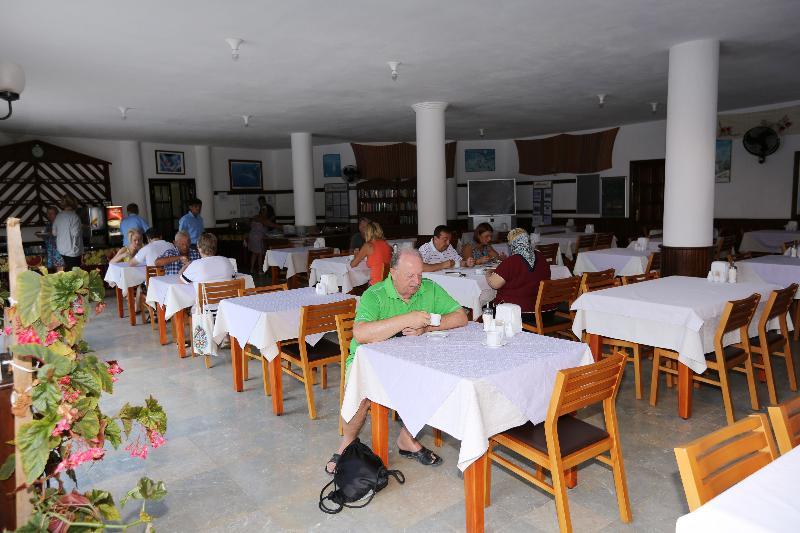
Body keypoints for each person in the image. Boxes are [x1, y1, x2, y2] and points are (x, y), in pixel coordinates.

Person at [326, 248, 468, 474]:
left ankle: (407, 438)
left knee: (438, 381)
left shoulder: (429, 288)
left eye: (420, 275)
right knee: (361, 390)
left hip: (413, 362)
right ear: (392, 272)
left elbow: (461, 316)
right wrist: (406, 319)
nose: (417, 281)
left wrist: (428, 327)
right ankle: (347, 442)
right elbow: (361, 334)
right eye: (410, 276)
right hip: (369, 364)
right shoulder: (374, 294)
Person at [485, 228, 551, 314]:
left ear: (512, 244)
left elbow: (494, 284)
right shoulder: (541, 256)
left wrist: (488, 272)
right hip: (544, 310)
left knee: (485, 306)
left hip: (516, 312)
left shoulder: (512, 261)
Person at [350, 221, 392, 285]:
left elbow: (353, 265)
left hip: (375, 285)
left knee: (356, 285)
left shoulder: (368, 246)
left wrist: (356, 255)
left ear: (367, 232)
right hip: (387, 284)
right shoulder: (386, 245)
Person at [52, 194, 84, 270]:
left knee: (64, 277)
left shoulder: (59, 216)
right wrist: (81, 228)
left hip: (61, 251)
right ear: (74, 203)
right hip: (73, 252)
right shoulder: (74, 216)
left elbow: (54, 233)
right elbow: (75, 234)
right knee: (74, 278)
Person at [41, 206, 63, 270]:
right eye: (48, 213)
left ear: (56, 214)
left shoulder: (60, 223)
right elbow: (46, 238)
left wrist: (51, 233)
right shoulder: (48, 225)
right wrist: (43, 236)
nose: (49, 215)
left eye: (52, 213)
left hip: (58, 253)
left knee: (60, 273)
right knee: (50, 274)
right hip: (49, 252)